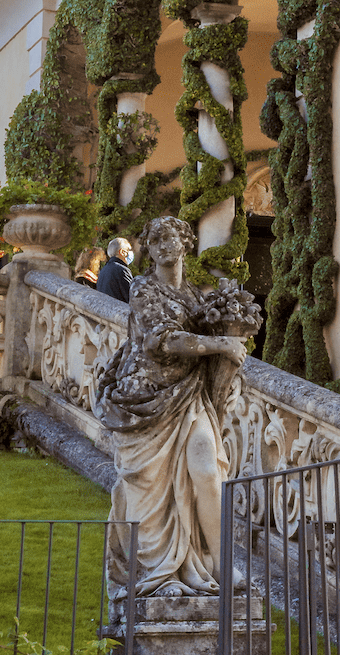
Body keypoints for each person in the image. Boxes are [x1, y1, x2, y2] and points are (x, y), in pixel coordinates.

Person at [95, 216, 259, 599]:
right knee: (150, 487)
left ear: (186, 245)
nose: (166, 245)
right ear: (148, 249)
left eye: (173, 237)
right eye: (157, 239)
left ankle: (220, 565)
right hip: (146, 400)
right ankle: (161, 570)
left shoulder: (194, 296)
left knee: (206, 468)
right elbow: (162, 340)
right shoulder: (142, 289)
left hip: (189, 395)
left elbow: (207, 343)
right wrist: (221, 346)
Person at [95, 237, 134, 302]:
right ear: (122, 252)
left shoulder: (103, 270)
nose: (131, 252)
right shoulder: (122, 270)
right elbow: (131, 297)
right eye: (129, 249)